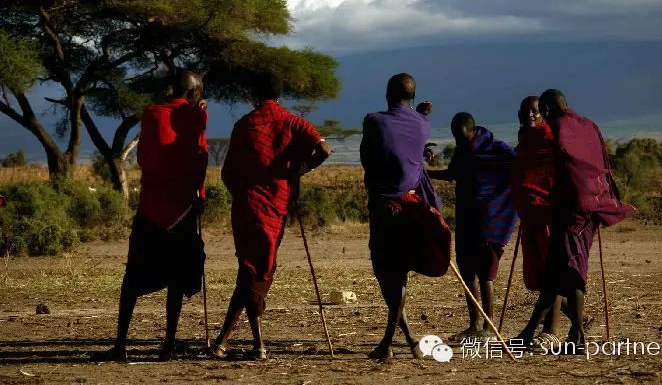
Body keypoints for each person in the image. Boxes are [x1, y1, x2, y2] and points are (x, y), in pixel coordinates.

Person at [207, 73, 331, 361]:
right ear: (279, 95)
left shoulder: (244, 125)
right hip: (277, 207)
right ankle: (246, 343)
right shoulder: (293, 122)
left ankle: (237, 343)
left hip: (247, 208)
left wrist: (242, 192)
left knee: (248, 272)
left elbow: (227, 173)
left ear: (253, 95)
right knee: (257, 273)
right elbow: (324, 148)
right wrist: (300, 169)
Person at [94, 69, 209, 362]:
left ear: (173, 89)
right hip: (183, 209)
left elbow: (143, 157)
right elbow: (200, 159)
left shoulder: (151, 113)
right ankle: (168, 345)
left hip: (150, 207)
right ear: (196, 93)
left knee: (133, 276)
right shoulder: (197, 117)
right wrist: (200, 197)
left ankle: (120, 344)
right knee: (177, 278)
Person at [516, 89, 634, 351]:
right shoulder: (588, 126)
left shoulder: (555, 128)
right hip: (589, 203)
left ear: (546, 110)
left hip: (574, 212)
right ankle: (528, 333)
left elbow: (543, 157)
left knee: (571, 271)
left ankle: (578, 334)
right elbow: (600, 161)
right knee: (553, 274)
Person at [361, 73, 451, 360]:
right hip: (412, 206)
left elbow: (367, 158)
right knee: (395, 274)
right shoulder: (422, 124)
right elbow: (411, 130)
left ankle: (388, 343)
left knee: (390, 274)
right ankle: (410, 339)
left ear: (388, 93)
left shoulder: (373, 120)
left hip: (386, 209)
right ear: (412, 97)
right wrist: (420, 113)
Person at [429, 113, 517, 340]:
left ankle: (489, 328)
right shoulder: (462, 150)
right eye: (455, 137)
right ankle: (475, 324)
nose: (458, 140)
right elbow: (453, 174)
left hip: (490, 218)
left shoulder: (496, 149)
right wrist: (424, 173)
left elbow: (520, 169)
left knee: (485, 272)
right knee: (467, 270)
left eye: (461, 136)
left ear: (472, 130)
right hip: (466, 217)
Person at [511, 96, 562, 349]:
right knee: (542, 276)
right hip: (529, 216)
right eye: (525, 111)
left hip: (548, 215)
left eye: (534, 111)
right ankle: (581, 318)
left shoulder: (550, 137)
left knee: (551, 275)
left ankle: (547, 331)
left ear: (543, 114)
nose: (529, 115)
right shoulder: (525, 138)